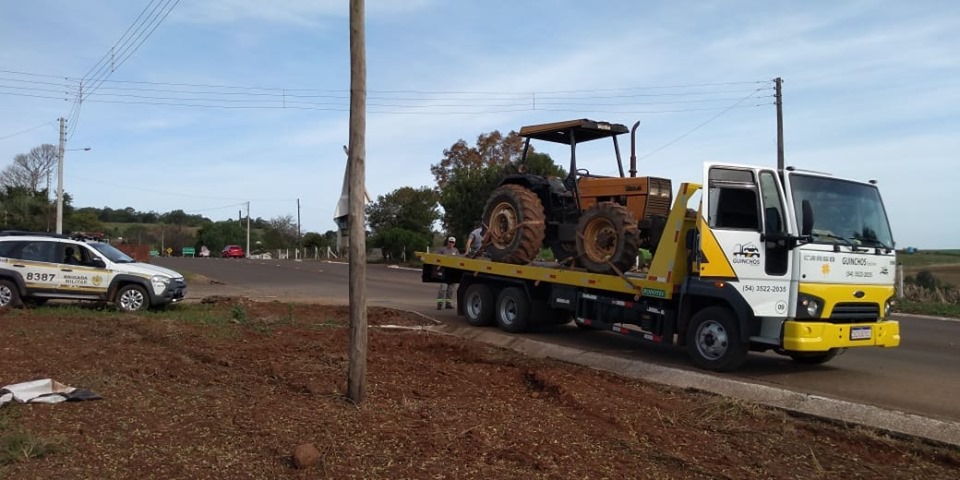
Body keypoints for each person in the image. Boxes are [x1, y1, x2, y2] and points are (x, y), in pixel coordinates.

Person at [435, 236, 459, 310]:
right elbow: (436, 258)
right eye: (450, 242)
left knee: (450, 289)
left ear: (454, 243)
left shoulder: (456, 250)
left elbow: (458, 260)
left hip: (452, 271)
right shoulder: (442, 249)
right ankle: (439, 304)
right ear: (447, 242)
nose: (451, 243)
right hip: (443, 271)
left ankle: (448, 304)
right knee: (443, 288)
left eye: (453, 242)